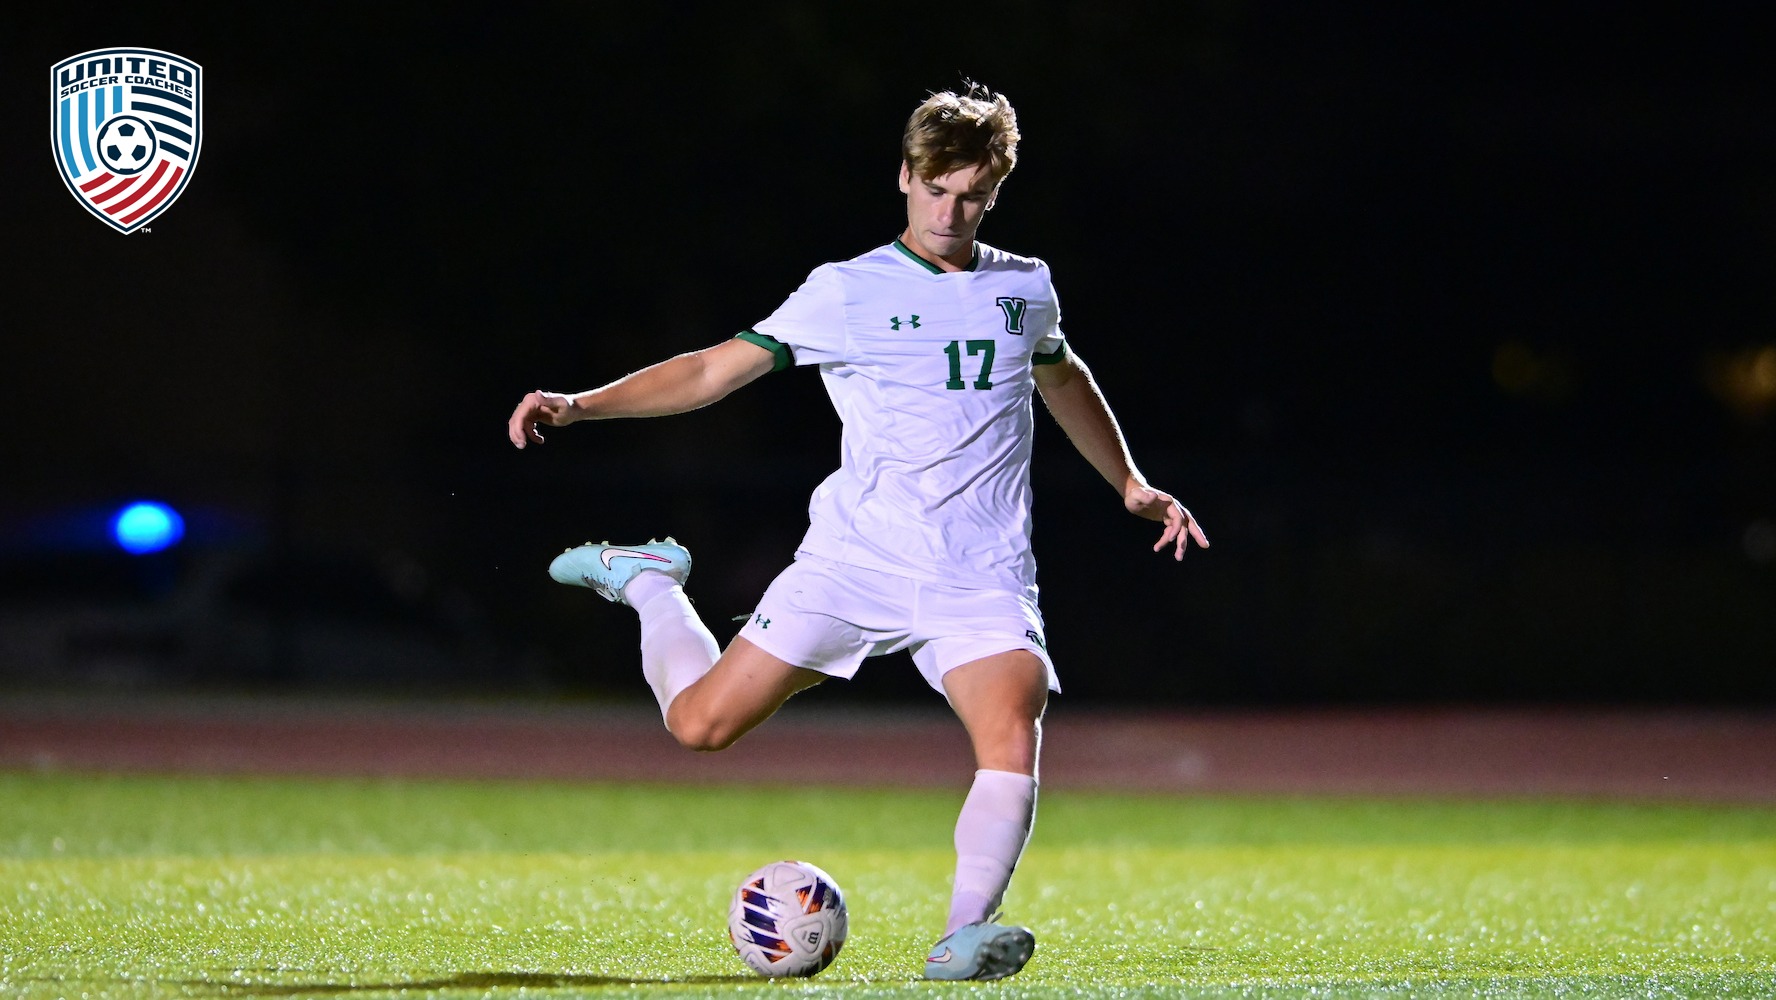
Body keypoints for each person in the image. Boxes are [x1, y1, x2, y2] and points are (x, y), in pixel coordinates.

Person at [507, 82, 1208, 981]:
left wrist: (1131, 482)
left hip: (980, 575)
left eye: (974, 195)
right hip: (856, 563)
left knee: (1012, 725)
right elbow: (710, 372)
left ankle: (962, 935)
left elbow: (1063, 377)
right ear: (906, 178)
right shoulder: (848, 291)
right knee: (699, 727)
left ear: (995, 189)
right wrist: (580, 406)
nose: (952, 212)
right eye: (937, 190)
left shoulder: (1024, 288)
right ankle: (649, 581)